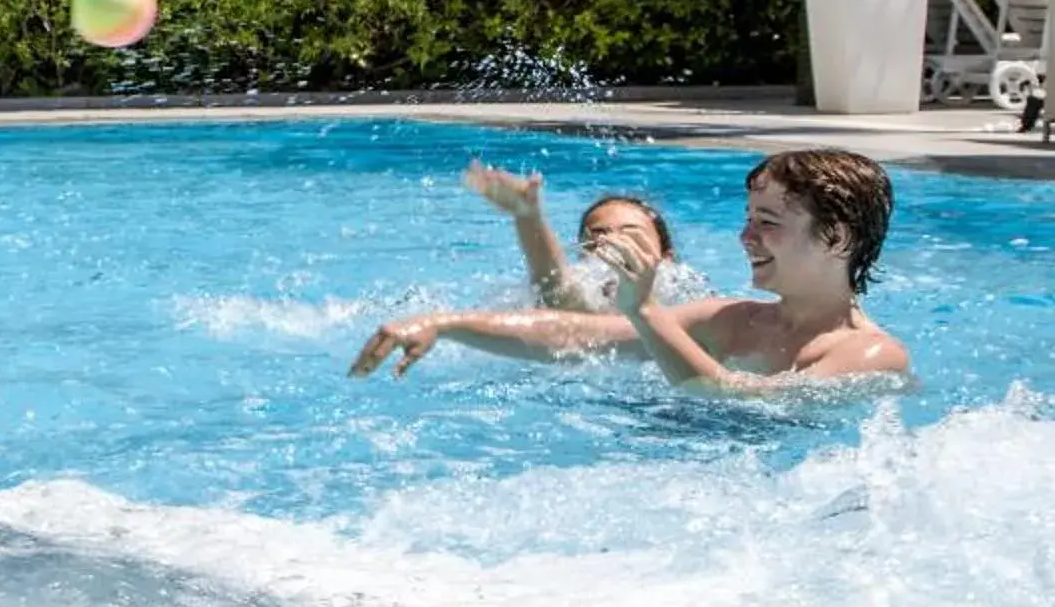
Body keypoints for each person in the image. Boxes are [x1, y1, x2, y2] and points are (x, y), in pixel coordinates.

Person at [352, 148, 909, 394]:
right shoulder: (733, 319)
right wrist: (446, 324)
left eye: (767, 222)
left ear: (835, 238)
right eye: (747, 219)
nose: (745, 237)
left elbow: (744, 402)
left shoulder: (869, 354)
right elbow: (576, 333)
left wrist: (644, 311)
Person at [462, 161, 704, 311]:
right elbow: (554, 288)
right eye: (598, 233)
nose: (612, 240)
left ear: (666, 256)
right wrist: (528, 216)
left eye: (630, 232)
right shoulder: (586, 296)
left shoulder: (688, 303)